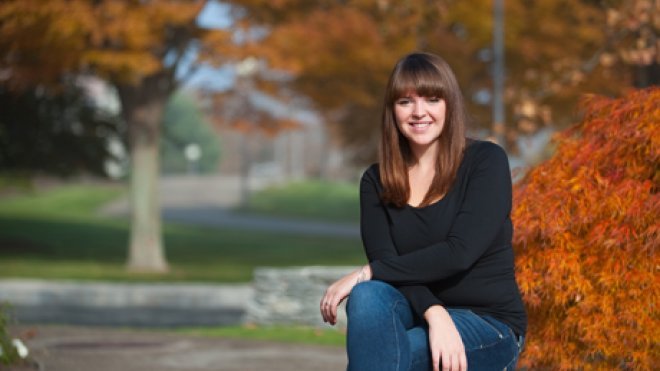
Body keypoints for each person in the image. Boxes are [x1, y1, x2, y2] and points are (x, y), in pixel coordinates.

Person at [320, 52, 527, 371]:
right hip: (420, 313)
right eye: (405, 102)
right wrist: (435, 313)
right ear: (392, 110)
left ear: (449, 105)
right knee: (368, 296)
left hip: (488, 324)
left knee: (389, 350)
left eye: (432, 99)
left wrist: (368, 272)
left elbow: (459, 253)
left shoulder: (485, 161)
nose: (419, 112)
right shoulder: (376, 180)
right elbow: (390, 266)